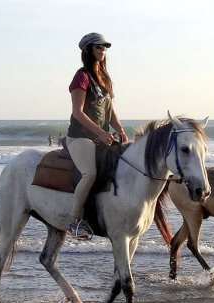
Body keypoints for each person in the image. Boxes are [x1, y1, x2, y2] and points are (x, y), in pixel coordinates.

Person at [66, 32, 128, 240]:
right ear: (88, 50)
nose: (102, 51)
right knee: (89, 174)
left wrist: (119, 129)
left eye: (104, 48)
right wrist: (101, 133)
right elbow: (78, 112)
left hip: (101, 137)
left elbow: (110, 111)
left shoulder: (105, 78)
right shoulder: (81, 76)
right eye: (98, 47)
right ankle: (75, 221)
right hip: (80, 138)